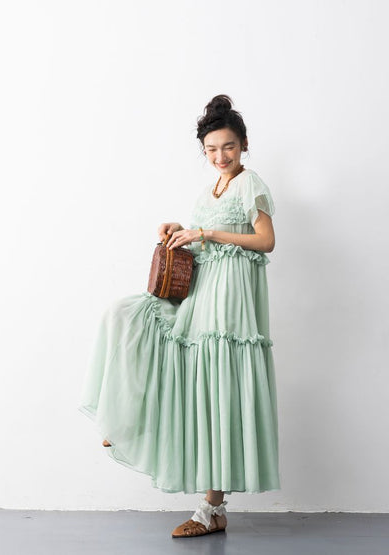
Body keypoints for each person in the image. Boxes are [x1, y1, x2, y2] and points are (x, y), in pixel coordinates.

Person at [78, 94, 281, 538]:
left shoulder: (251, 183)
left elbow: (265, 241)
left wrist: (205, 232)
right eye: (211, 149)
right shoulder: (208, 191)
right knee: (126, 316)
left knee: (218, 387)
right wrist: (181, 231)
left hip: (231, 297)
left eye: (228, 147)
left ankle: (212, 509)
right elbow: (203, 240)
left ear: (244, 145)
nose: (220, 157)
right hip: (203, 288)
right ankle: (123, 417)